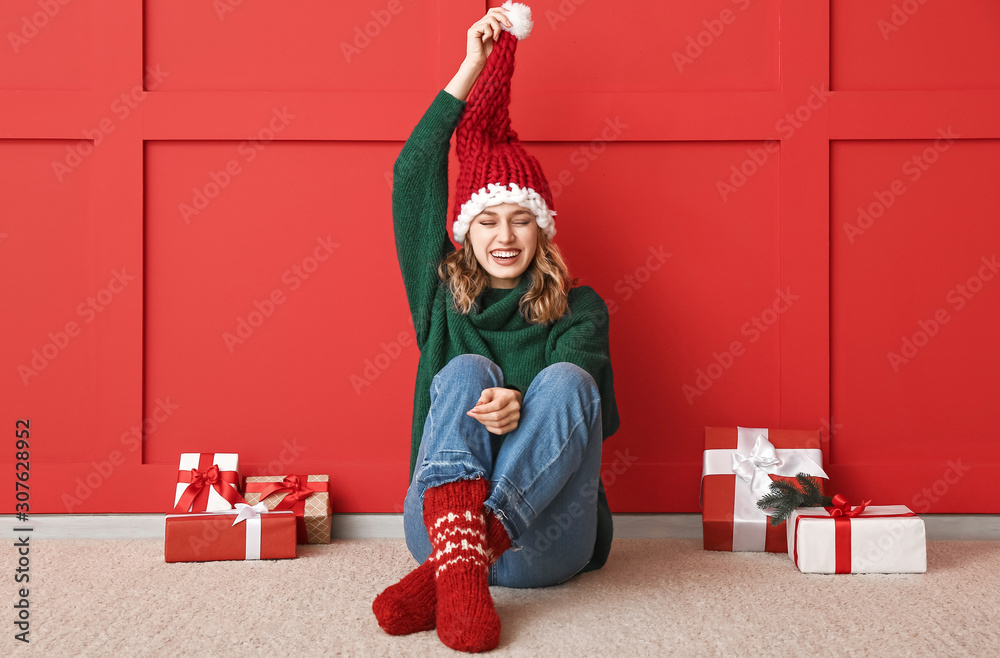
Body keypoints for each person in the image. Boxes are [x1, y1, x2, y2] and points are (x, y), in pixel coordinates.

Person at [371, 2, 621, 653]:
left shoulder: (582, 309)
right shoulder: (439, 301)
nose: (504, 236)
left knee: (565, 382)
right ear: (463, 233)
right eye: (487, 220)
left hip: (544, 543)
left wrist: (524, 399)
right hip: (433, 526)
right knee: (462, 370)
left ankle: (459, 567)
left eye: (520, 219)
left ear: (542, 230)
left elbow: (584, 406)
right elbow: (410, 177)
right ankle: (459, 564)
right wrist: (469, 67)